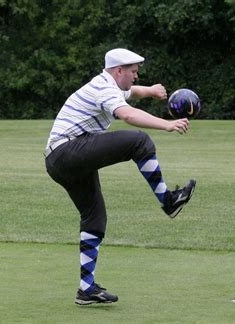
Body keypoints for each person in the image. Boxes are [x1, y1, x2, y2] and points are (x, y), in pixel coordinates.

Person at [44, 48, 196, 305]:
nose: (136, 77)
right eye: (133, 72)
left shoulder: (110, 84)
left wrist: (151, 90)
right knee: (138, 141)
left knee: (94, 218)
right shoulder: (104, 88)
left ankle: (86, 289)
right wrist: (167, 124)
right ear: (118, 71)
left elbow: (132, 92)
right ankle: (168, 201)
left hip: (61, 160)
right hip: (67, 151)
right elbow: (128, 114)